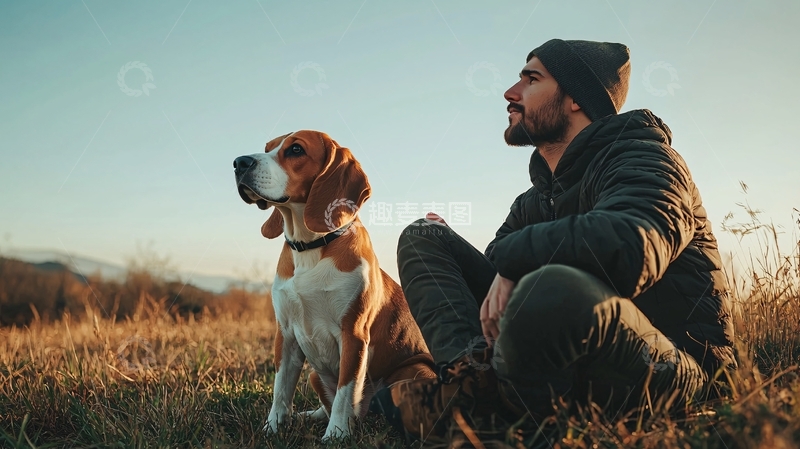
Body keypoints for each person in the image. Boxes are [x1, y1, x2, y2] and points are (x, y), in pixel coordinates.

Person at [374, 39, 737, 442]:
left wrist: (518, 262)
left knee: (550, 287)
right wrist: (505, 263)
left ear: (576, 98)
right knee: (424, 236)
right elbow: (497, 268)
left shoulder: (645, 158)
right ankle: (474, 388)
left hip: (673, 370)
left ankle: (471, 417)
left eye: (531, 79)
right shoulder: (535, 199)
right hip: (561, 366)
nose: (511, 94)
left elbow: (631, 247)